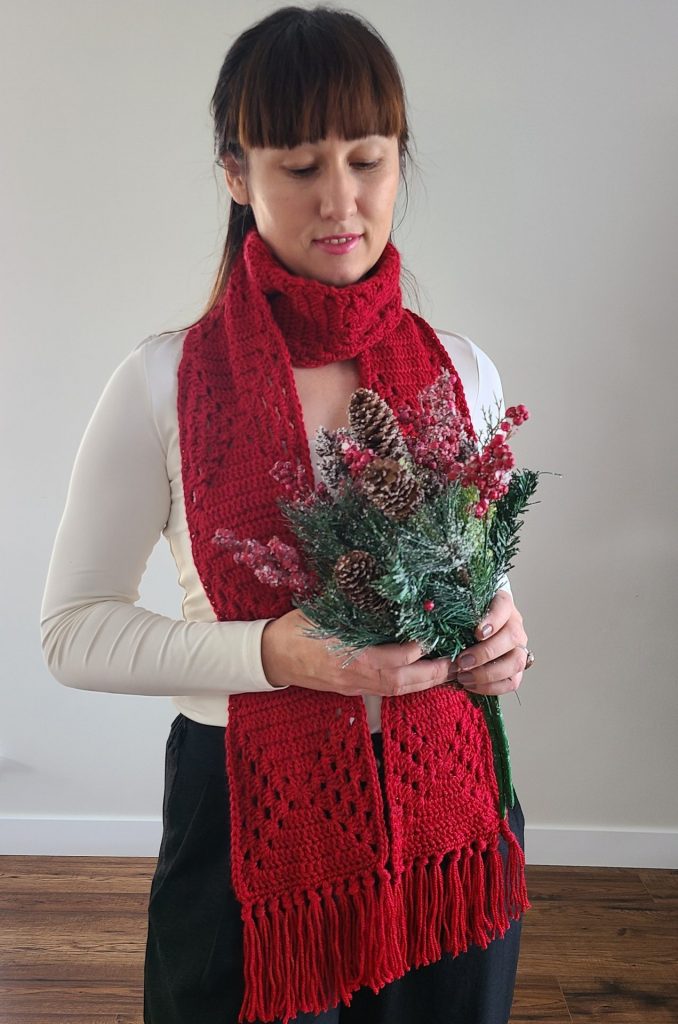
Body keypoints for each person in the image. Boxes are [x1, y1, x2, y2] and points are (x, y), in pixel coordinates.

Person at [40, 7, 534, 1024]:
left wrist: (505, 640)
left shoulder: (463, 370)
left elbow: (483, 586)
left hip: (447, 828)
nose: (342, 200)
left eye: (368, 159)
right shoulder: (164, 381)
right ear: (236, 171)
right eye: (302, 166)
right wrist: (278, 653)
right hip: (250, 835)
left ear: (401, 159)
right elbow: (72, 632)